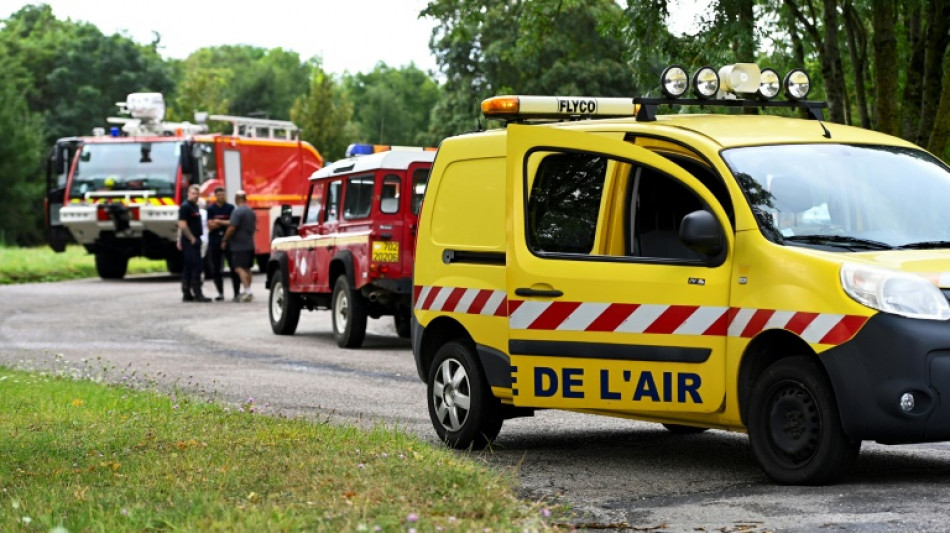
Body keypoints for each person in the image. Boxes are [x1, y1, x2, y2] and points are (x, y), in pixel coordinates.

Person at [177, 184, 211, 302]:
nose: (195, 196)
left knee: (191, 267)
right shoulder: (185, 207)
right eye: (193, 193)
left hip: (196, 239)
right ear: (188, 194)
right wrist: (191, 238)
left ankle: (187, 293)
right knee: (195, 267)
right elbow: (182, 224)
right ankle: (197, 293)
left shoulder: (195, 206)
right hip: (190, 241)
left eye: (197, 194)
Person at [206, 187, 240, 301]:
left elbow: (232, 224)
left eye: (223, 194)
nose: (221, 196)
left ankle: (236, 293)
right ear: (215, 196)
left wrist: (218, 221)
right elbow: (210, 225)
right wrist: (224, 223)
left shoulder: (230, 208)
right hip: (214, 240)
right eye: (219, 194)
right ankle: (220, 293)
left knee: (233, 267)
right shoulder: (211, 208)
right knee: (216, 268)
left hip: (229, 239)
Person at [222, 190, 256, 302]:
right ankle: (248, 290)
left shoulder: (237, 212)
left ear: (236, 199)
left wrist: (225, 239)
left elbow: (232, 227)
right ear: (245, 199)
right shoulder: (251, 212)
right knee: (247, 268)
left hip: (239, 245)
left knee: (238, 268)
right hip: (250, 243)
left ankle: (247, 291)